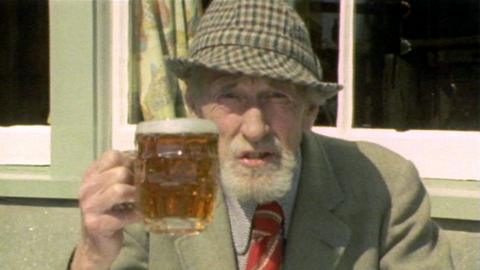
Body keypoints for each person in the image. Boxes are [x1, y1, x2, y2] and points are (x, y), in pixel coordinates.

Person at [70, 0, 454, 269]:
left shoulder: (384, 185)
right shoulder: (151, 188)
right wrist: (93, 255)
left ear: (309, 112)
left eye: (278, 97)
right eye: (229, 95)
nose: (254, 128)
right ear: (195, 107)